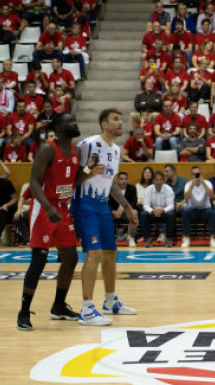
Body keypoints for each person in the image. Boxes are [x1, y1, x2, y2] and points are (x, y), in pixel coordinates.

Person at [71, 108, 138, 326]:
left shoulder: (117, 150)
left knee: (110, 252)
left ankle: (110, 301)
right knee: (95, 252)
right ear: (104, 124)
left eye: (121, 119)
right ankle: (87, 309)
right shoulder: (86, 145)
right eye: (116, 120)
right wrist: (90, 171)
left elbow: (111, 184)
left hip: (102, 206)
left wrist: (127, 207)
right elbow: (73, 179)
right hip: (84, 204)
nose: (120, 123)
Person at [16, 114, 83, 330]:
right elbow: (34, 182)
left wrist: (90, 169)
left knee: (71, 259)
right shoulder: (47, 149)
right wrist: (47, 206)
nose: (75, 123)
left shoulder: (75, 151)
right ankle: (24, 313)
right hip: (44, 209)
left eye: (75, 120)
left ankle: (58, 306)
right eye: (70, 121)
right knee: (39, 261)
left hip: (63, 209)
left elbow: (74, 181)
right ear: (59, 127)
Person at [181, 165, 215, 248]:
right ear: (191, 175)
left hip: (205, 210)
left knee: (212, 213)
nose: (196, 176)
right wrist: (192, 186)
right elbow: (186, 199)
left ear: (201, 174)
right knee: (185, 212)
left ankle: (212, 239)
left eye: (198, 174)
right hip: (192, 210)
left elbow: (212, 196)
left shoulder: (207, 183)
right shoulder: (188, 184)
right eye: (194, 174)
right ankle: (186, 238)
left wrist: (204, 184)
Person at [140, 170, 176, 247]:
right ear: (153, 180)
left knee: (171, 214)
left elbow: (171, 205)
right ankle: (148, 240)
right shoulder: (148, 189)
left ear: (164, 180)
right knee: (143, 214)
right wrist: (153, 211)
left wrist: (163, 210)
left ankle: (169, 239)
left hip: (164, 213)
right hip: (153, 213)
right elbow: (145, 205)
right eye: (156, 179)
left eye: (160, 180)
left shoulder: (168, 189)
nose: (158, 182)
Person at [109, 172, 138, 242]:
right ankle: (109, 237)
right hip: (114, 212)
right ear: (117, 180)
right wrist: (113, 212)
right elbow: (107, 204)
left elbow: (133, 203)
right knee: (104, 213)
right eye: (121, 179)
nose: (123, 180)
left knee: (135, 212)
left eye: (125, 179)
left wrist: (124, 211)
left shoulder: (132, 188)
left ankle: (131, 237)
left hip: (126, 212)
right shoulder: (111, 189)